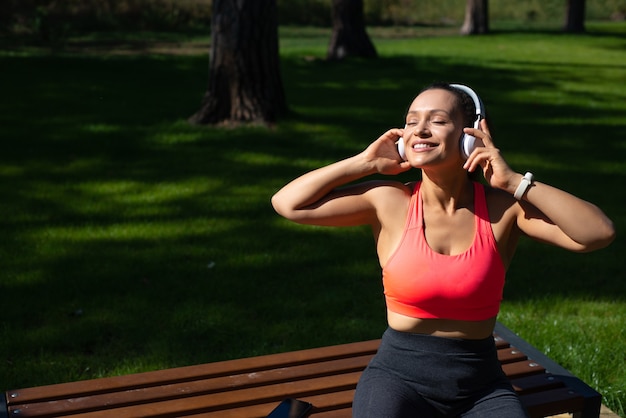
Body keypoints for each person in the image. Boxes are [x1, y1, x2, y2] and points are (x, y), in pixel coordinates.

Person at [271, 82, 615, 417]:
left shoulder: (503, 209)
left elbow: (596, 233)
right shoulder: (390, 201)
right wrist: (365, 163)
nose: (419, 130)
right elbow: (288, 204)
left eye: (437, 120)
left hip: (480, 386)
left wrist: (515, 182)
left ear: (471, 136)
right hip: (397, 378)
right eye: (411, 121)